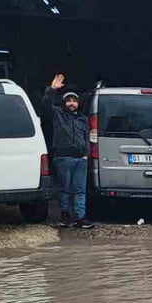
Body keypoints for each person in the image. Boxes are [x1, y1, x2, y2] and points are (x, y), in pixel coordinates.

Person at [42, 74, 93, 229]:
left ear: (78, 103)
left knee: (80, 191)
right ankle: (64, 216)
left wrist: (86, 156)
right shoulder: (58, 114)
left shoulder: (83, 119)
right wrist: (52, 89)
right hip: (62, 158)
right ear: (64, 103)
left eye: (74, 101)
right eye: (69, 101)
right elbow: (46, 105)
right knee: (64, 190)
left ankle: (80, 218)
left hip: (80, 159)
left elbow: (86, 138)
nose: (72, 103)